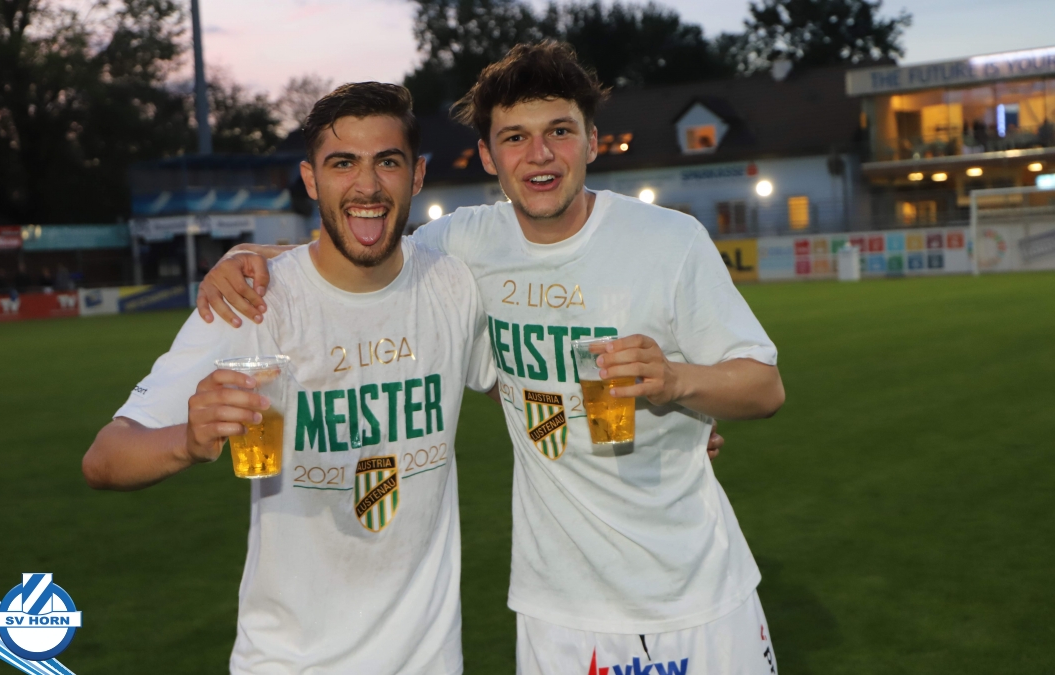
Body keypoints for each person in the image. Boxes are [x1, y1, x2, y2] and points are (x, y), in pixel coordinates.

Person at [200, 41, 782, 674]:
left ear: (592, 141)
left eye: (560, 131)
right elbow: (363, 247)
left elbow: (764, 387)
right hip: (558, 608)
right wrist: (247, 257)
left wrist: (676, 383)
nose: (540, 154)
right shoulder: (463, 244)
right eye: (514, 138)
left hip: (699, 589)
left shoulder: (670, 240)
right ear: (487, 156)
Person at [82, 83, 497, 674]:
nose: (367, 185)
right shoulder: (252, 301)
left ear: (418, 174)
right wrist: (188, 442)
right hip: (290, 662)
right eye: (342, 163)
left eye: (387, 161)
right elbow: (104, 459)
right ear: (310, 179)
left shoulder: (452, 286)